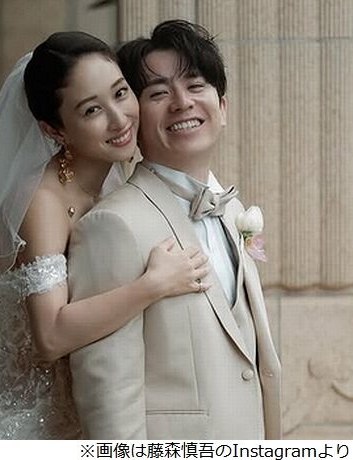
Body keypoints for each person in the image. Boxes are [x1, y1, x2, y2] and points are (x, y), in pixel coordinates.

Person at [0, 31, 210, 440]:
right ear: (55, 130)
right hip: (23, 422)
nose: (119, 119)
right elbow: (49, 336)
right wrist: (153, 285)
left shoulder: (114, 180)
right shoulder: (41, 201)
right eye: (91, 110)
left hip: (84, 411)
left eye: (120, 93)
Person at [68, 20, 282, 439]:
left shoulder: (233, 211)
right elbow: (110, 392)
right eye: (159, 93)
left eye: (196, 85)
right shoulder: (113, 226)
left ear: (222, 108)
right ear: (133, 117)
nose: (182, 103)